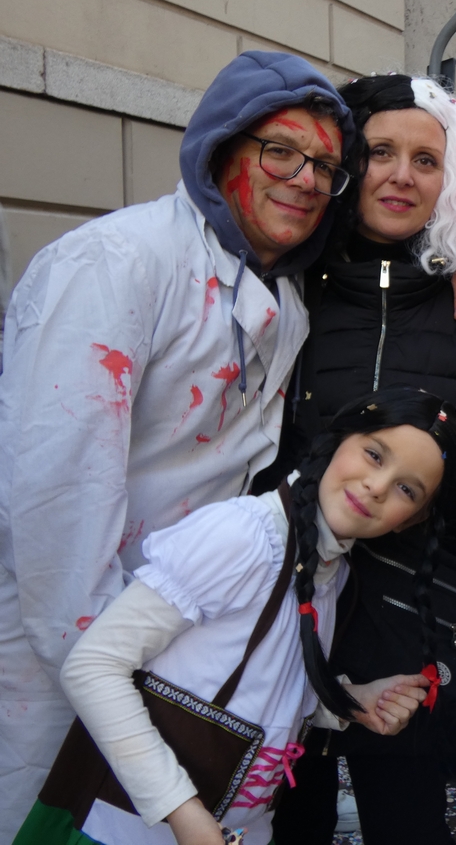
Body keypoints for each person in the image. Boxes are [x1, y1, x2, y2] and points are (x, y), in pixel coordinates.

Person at [0, 51, 355, 843]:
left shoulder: (284, 294)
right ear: (222, 151)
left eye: (326, 167)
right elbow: (58, 504)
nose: (305, 179)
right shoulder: (115, 263)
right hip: (69, 652)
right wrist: (113, 677)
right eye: (281, 151)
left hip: (167, 643)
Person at [14, 389, 456, 845]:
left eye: (406, 489)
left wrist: (350, 701)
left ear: (412, 520)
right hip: (120, 829)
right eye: (374, 455)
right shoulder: (244, 536)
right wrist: (182, 811)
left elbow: (268, 693)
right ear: (339, 439)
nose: (377, 486)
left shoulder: (332, 574)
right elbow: (93, 666)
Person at [269, 73, 456, 845]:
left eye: (426, 160)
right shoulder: (286, 286)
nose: (402, 175)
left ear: (452, 180)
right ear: (347, 162)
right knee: (287, 825)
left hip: (414, 632)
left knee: (408, 826)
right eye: (380, 152)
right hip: (287, 621)